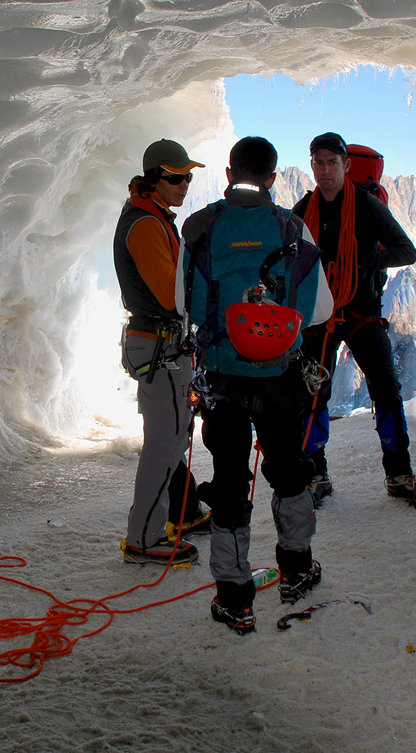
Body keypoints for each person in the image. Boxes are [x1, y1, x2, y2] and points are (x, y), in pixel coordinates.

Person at [179, 136, 334, 634]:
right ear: (272, 178)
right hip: (278, 376)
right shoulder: (293, 228)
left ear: (228, 174)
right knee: (289, 471)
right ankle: (295, 568)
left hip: (222, 377)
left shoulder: (200, 228)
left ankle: (234, 597)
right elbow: (321, 311)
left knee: (229, 481)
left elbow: (182, 306)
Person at [291, 131, 416, 507]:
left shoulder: (367, 206)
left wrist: (370, 261)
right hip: (321, 315)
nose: (325, 170)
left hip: (361, 310)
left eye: (332, 162)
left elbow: (407, 251)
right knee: (313, 393)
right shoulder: (304, 209)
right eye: (318, 163)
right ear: (312, 166)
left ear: (346, 166)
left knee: (385, 387)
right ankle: (315, 472)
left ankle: (398, 472)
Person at [114, 139, 212, 566]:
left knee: (168, 439)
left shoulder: (150, 217)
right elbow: (172, 297)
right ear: (154, 179)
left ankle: (152, 529)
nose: (184, 183)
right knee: (166, 442)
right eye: (175, 176)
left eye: (188, 176)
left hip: (156, 344)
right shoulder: (147, 224)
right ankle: (146, 538)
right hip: (159, 346)